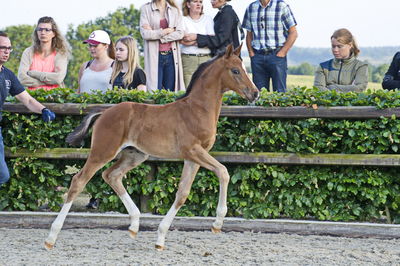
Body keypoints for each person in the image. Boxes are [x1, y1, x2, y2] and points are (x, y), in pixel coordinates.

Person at [0, 31, 55, 186]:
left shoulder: (8, 75)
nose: (6, 51)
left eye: (9, 48)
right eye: (2, 47)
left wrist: (44, 110)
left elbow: (27, 99)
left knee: (3, 176)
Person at [242, 0, 297, 93]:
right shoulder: (251, 8)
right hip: (257, 57)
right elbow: (249, 34)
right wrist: (251, 53)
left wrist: (282, 52)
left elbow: (293, 33)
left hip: (277, 56)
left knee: (280, 93)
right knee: (259, 94)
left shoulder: (282, 6)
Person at [140, 0, 185, 92]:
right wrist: (165, 31)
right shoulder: (146, 9)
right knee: (155, 91)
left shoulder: (175, 10)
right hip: (155, 57)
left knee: (171, 92)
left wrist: (160, 37)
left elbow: (180, 33)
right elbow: (145, 34)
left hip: (171, 56)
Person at [18, 16, 69, 90]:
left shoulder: (60, 53)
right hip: (31, 99)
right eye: (40, 29)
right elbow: (22, 78)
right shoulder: (28, 52)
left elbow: (58, 79)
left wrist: (34, 73)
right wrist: (47, 81)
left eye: (47, 30)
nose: (43, 32)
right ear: (36, 32)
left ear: (54, 33)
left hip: (54, 99)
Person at [180, 0, 215, 87]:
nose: (199, 4)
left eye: (200, 2)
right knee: (189, 90)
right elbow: (182, 40)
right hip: (188, 60)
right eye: (195, 1)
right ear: (188, 4)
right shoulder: (182, 20)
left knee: (206, 89)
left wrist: (193, 39)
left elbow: (212, 41)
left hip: (206, 59)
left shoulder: (208, 19)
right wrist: (203, 39)